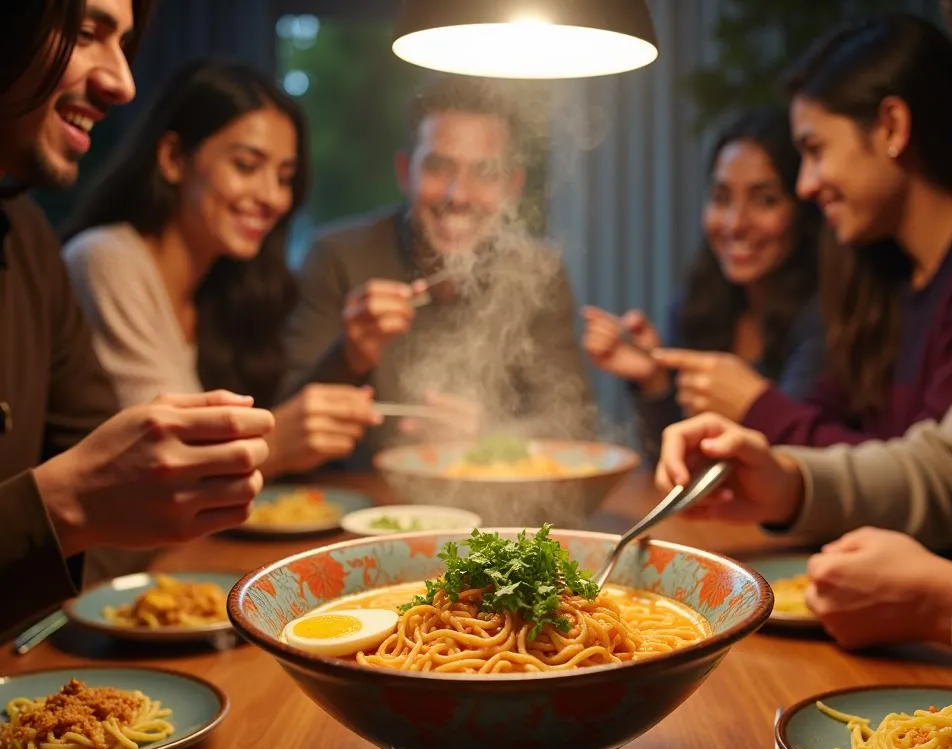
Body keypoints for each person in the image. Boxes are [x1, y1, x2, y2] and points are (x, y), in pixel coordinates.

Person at [653, 0, 952, 681]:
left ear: (892, 126)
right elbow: (943, 469)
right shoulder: (878, 271)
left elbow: (946, 515)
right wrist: (785, 480)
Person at [0, 0, 274, 636]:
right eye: (85, 32)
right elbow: (90, 491)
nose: (122, 83)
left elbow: (118, 502)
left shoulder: (27, 238)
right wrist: (64, 503)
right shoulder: (98, 256)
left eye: (124, 43)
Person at [666, 15, 952, 450]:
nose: (806, 186)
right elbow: (826, 424)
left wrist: (756, 404)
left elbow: (935, 483)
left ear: (892, 126)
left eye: (816, 150)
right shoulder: (883, 269)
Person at [63, 59, 380, 479]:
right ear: (174, 158)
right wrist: (279, 443)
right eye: (246, 166)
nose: (272, 197)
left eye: (285, 177)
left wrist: (348, 360)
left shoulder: (227, 284)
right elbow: (168, 464)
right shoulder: (105, 258)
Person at [280, 74, 595, 463]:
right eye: (438, 167)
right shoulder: (337, 258)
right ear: (404, 172)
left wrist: (486, 434)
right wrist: (349, 356)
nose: (458, 195)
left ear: (512, 187)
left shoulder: (537, 272)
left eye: (484, 173)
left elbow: (573, 426)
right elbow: (286, 425)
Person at [581, 108, 825, 460]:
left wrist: (754, 403)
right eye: (721, 197)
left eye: (765, 200)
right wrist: (654, 380)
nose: (735, 223)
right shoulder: (699, 304)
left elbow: (796, 465)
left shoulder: (823, 319)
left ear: (803, 207)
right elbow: (679, 468)